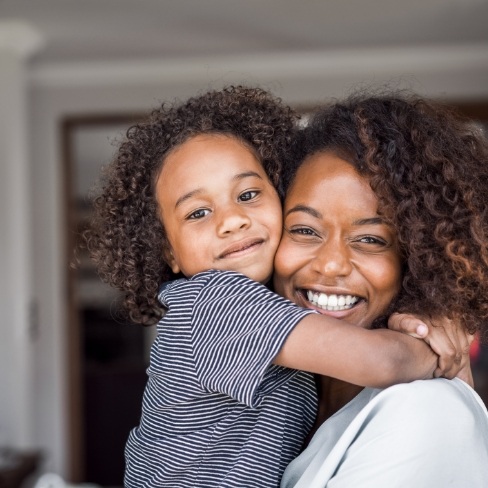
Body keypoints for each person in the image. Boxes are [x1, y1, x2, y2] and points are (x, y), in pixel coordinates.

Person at [84, 86, 464, 488]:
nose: (232, 220)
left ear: (278, 195)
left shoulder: (278, 316)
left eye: (248, 194)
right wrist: (435, 347)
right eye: (198, 212)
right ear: (169, 254)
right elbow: (384, 363)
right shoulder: (214, 301)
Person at [276, 92, 488, 487]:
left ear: (421, 261)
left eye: (371, 239)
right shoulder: (279, 407)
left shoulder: (428, 412)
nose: (331, 264)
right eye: (304, 230)